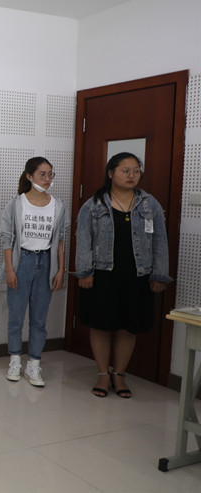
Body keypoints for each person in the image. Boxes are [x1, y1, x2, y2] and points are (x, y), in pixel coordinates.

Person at [76, 152, 171, 398]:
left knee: (129, 326)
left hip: (138, 275)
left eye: (136, 171)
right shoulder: (93, 205)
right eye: (125, 171)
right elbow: (83, 240)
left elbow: (160, 240)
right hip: (102, 274)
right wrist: (84, 271)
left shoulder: (150, 204)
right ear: (111, 173)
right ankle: (102, 374)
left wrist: (160, 274)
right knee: (101, 325)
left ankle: (119, 375)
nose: (132, 175)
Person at [0, 157, 69, 387]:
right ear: (29, 176)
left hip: (46, 262)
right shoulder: (16, 204)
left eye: (50, 174)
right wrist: (10, 269)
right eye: (42, 174)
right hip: (23, 262)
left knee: (39, 318)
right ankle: (15, 360)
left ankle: (34, 363)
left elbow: (60, 240)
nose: (48, 179)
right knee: (16, 316)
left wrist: (61, 269)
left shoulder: (58, 205)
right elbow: (7, 239)